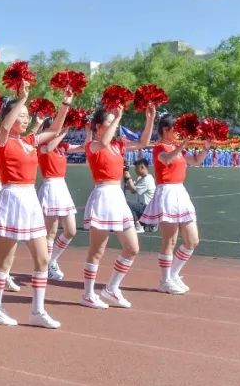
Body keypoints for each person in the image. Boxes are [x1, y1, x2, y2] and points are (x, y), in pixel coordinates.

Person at [0, 84, 72, 328]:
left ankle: (37, 310)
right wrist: (22, 99)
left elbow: (54, 129)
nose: (25, 119)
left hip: (30, 199)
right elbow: (3, 126)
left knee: (42, 258)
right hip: (11, 198)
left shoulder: (30, 141)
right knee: (6, 260)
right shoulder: (1, 140)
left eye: (26, 116)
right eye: (20, 116)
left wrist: (65, 104)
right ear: (10, 117)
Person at [81, 104, 155, 309]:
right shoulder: (93, 145)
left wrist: (150, 119)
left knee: (132, 248)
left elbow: (143, 142)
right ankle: (88, 294)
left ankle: (111, 288)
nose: (114, 124)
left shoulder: (118, 145)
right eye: (109, 121)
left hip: (118, 198)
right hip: (103, 195)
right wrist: (118, 117)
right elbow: (103, 142)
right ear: (97, 127)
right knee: (97, 250)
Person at [140, 113, 209, 293]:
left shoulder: (178, 148)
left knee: (192, 240)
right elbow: (166, 159)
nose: (178, 133)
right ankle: (164, 281)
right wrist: (183, 143)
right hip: (167, 193)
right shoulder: (159, 147)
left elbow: (195, 161)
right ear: (165, 129)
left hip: (180, 192)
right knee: (169, 241)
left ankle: (173, 274)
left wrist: (207, 147)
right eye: (175, 130)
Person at [37, 117, 83, 281]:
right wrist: (62, 133)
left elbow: (84, 148)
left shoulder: (63, 146)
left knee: (71, 230)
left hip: (61, 188)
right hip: (50, 186)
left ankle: (52, 261)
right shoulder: (41, 145)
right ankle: (46, 266)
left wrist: (90, 130)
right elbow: (49, 147)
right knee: (51, 232)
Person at [124, 160, 156, 232]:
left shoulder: (148, 179)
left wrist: (128, 178)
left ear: (142, 167)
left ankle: (138, 225)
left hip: (147, 209)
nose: (135, 170)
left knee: (126, 203)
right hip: (143, 207)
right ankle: (142, 223)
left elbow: (133, 190)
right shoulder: (141, 178)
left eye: (136, 168)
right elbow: (130, 186)